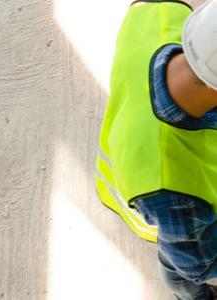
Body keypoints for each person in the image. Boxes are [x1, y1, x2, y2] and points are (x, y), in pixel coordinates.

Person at [94, 0, 217, 299]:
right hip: (161, 201)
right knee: (178, 271)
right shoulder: (173, 187)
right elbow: (198, 264)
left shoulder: (160, 15)